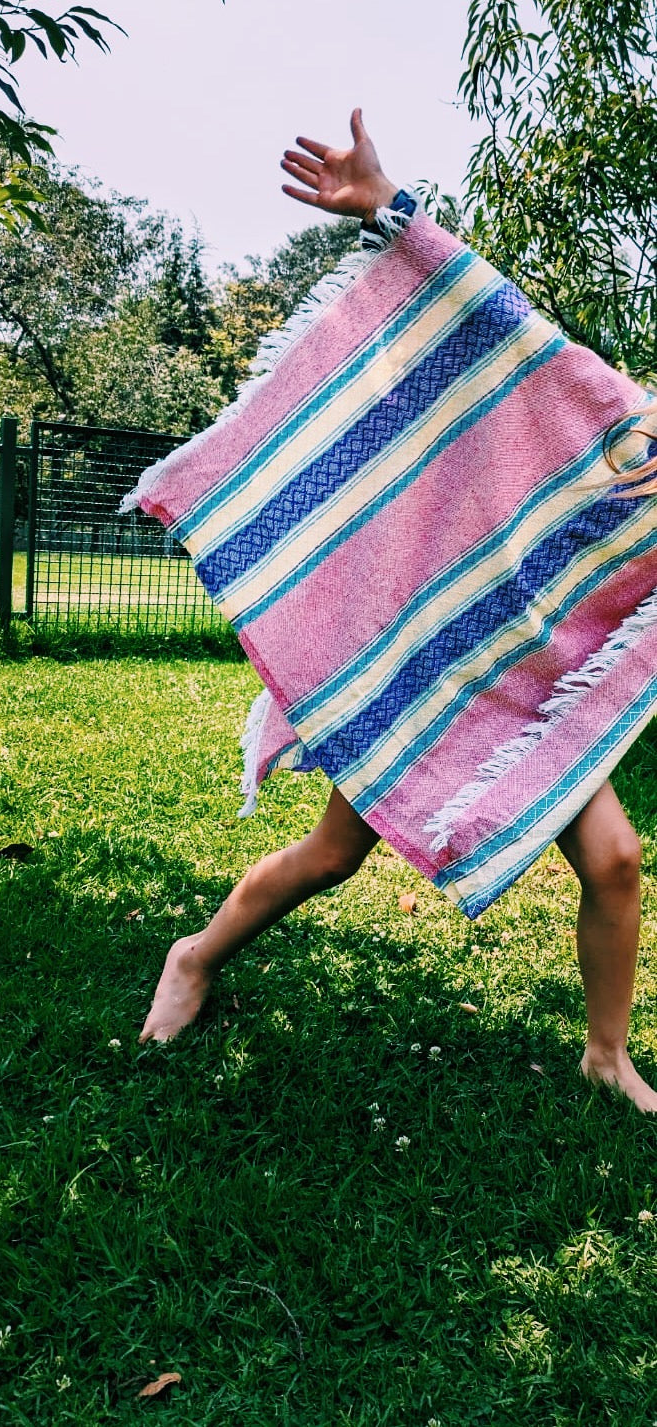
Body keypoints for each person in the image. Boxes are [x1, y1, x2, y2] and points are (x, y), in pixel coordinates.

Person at [140, 110, 656, 1116]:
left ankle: (604, 1055)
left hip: (537, 696)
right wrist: (389, 208)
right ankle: (193, 956)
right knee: (333, 854)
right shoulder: (620, 422)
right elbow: (507, 326)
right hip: (439, 673)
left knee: (614, 857)